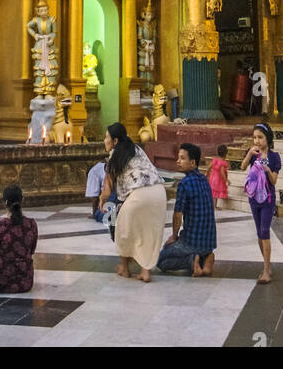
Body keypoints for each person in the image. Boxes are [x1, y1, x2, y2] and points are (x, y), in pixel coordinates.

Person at [98, 121, 166, 283]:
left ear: (115, 141)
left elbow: (107, 190)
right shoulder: (136, 148)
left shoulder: (114, 155)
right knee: (147, 231)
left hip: (140, 195)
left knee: (122, 229)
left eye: (107, 137)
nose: (104, 140)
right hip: (158, 192)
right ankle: (145, 271)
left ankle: (124, 268)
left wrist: (102, 200)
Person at [157, 143, 218, 277]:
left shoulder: (185, 184)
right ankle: (206, 258)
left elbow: (178, 214)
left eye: (182, 158)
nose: (178, 161)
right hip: (209, 242)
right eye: (178, 158)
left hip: (191, 242)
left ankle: (191, 261)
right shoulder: (204, 180)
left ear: (192, 162)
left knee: (162, 260)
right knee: (176, 252)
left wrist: (174, 236)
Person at [240, 123, 281, 284]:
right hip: (253, 198)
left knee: (265, 231)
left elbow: (274, 180)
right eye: (254, 137)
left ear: (267, 139)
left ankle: (265, 271)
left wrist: (267, 169)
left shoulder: (274, 157)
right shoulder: (253, 153)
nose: (256, 141)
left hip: (268, 200)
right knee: (259, 232)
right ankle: (267, 265)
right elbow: (243, 167)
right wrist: (249, 154)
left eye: (260, 137)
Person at [208, 144, 229, 210]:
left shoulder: (215, 160)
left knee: (213, 192)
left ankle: (213, 205)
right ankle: (214, 206)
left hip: (212, 178)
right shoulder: (223, 163)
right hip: (218, 180)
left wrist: (207, 173)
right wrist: (226, 180)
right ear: (226, 154)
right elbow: (222, 173)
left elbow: (209, 167)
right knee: (215, 193)